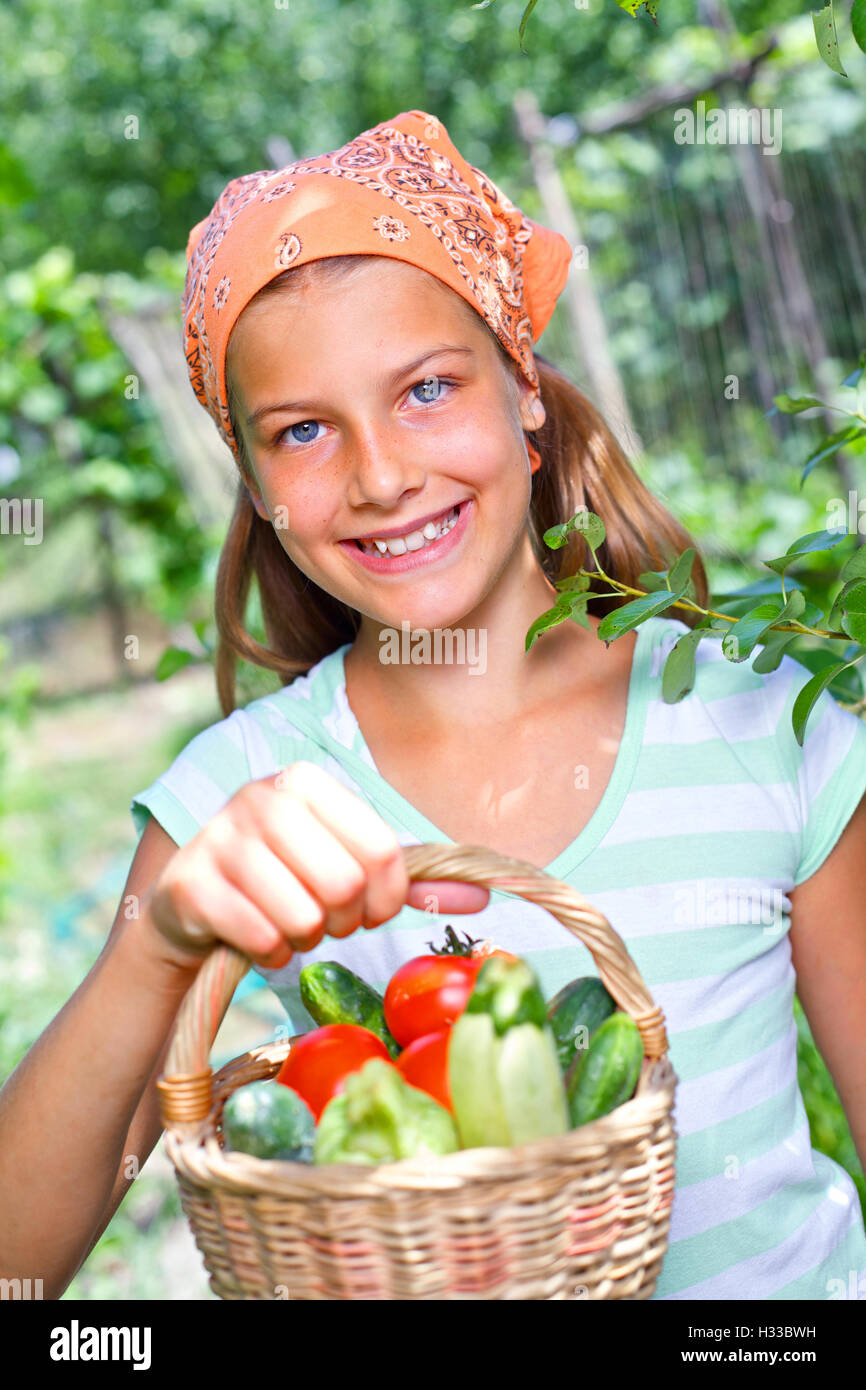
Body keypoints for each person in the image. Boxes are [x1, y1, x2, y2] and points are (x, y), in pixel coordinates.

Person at [1, 109, 865, 1302]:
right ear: (257, 487)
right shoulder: (236, 798)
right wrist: (159, 946)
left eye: (424, 389)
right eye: (302, 430)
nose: (379, 474)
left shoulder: (769, 722)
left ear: (521, 386)